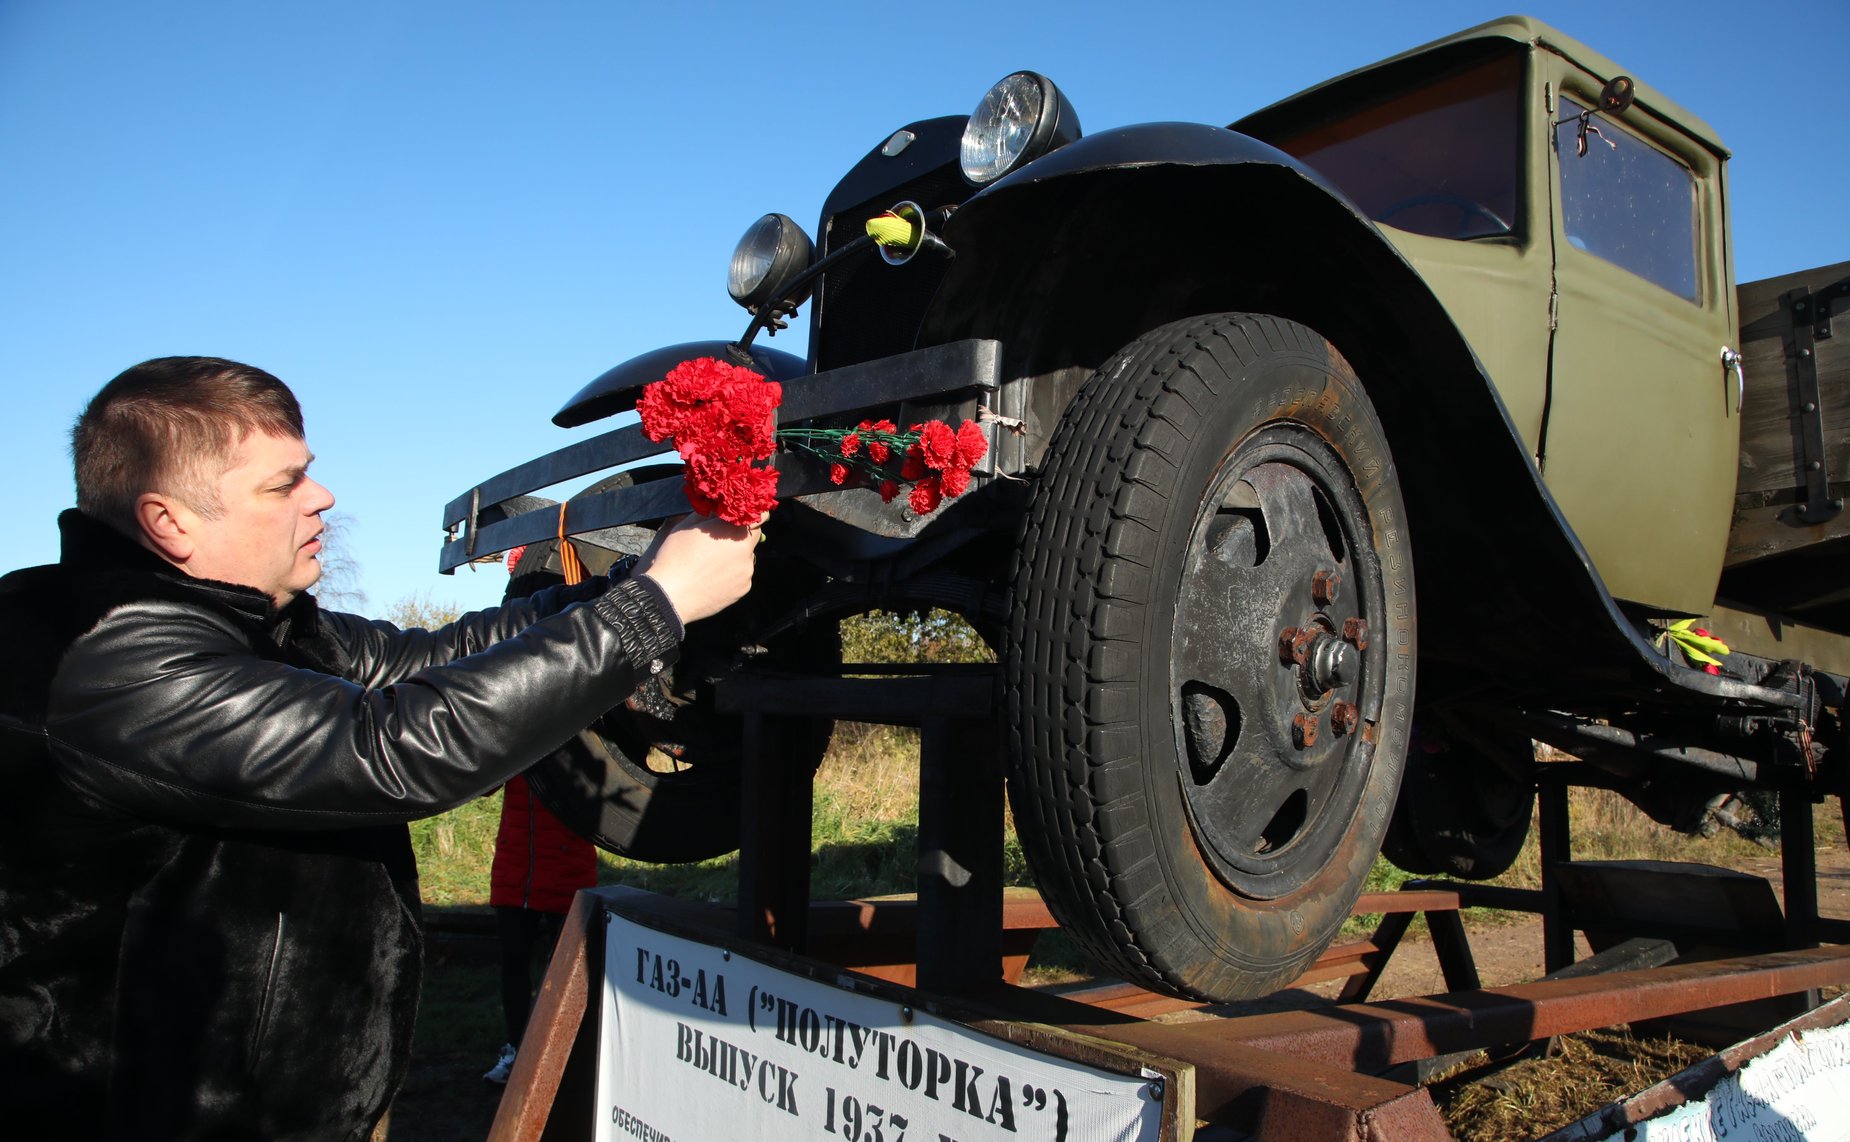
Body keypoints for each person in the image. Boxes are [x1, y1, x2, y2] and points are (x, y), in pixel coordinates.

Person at [0, 356, 763, 1139]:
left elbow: (429, 660)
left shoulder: (248, 621)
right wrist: (650, 609)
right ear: (169, 522)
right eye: (282, 485)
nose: (321, 498)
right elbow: (391, 747)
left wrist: (622, 586)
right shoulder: (107, 658)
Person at [481, 772, 595, 1085]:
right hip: (517, 870)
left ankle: (561, 1057)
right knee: (513, 968)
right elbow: (482, 782)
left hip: (567, 869)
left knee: (567, 973)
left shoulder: (583, 741)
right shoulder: (518, 730)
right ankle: (515, 1051)